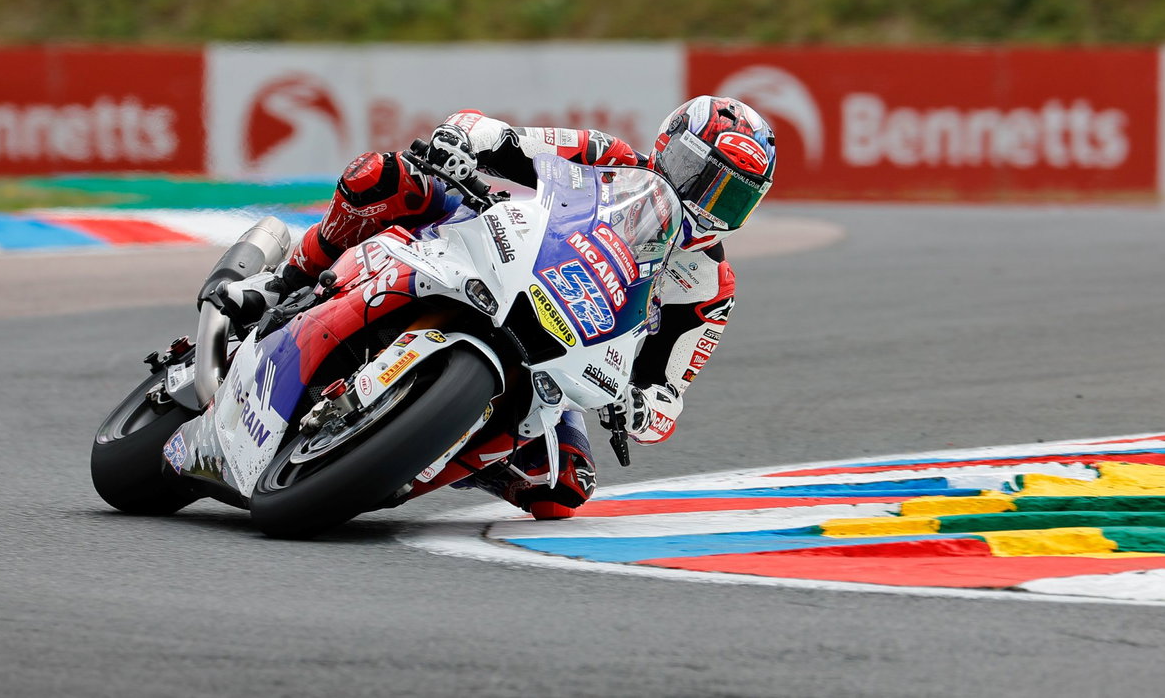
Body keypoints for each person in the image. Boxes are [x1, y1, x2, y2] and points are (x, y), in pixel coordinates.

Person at [214, 96, 777, 519]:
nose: (704, 202)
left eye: (730, 197)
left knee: (562, 488)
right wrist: (465, 143)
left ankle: (427, 446)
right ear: (668, 148)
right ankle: (287, 280)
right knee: (383, 178)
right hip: (491, 246)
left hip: (564, 351)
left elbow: (668, 394)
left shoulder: (708, 287)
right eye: (697, 176)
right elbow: (507, 139)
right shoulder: (609, 157)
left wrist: (640, 409)